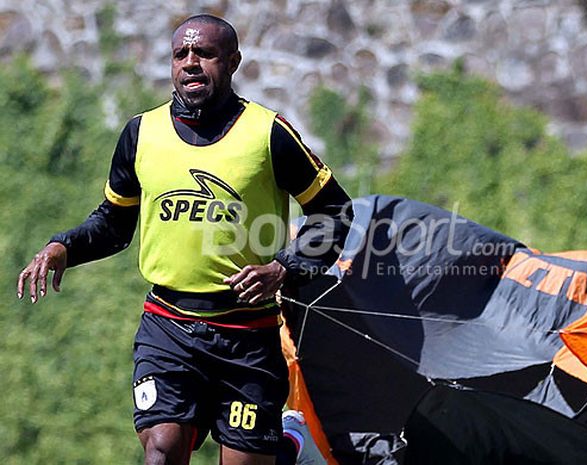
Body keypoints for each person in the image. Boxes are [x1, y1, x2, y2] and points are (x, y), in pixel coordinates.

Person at [17, 13, 352, 465]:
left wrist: (284, 268)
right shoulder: (141, 133)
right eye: (181, 54)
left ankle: (289, 444)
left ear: (232, 62)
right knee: (161, 450)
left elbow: (334, 211)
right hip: (168, 328)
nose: (190, 63)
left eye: (205, 53)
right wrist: (63, 246)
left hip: (247, 336)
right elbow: (114, 225)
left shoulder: (268, 133)